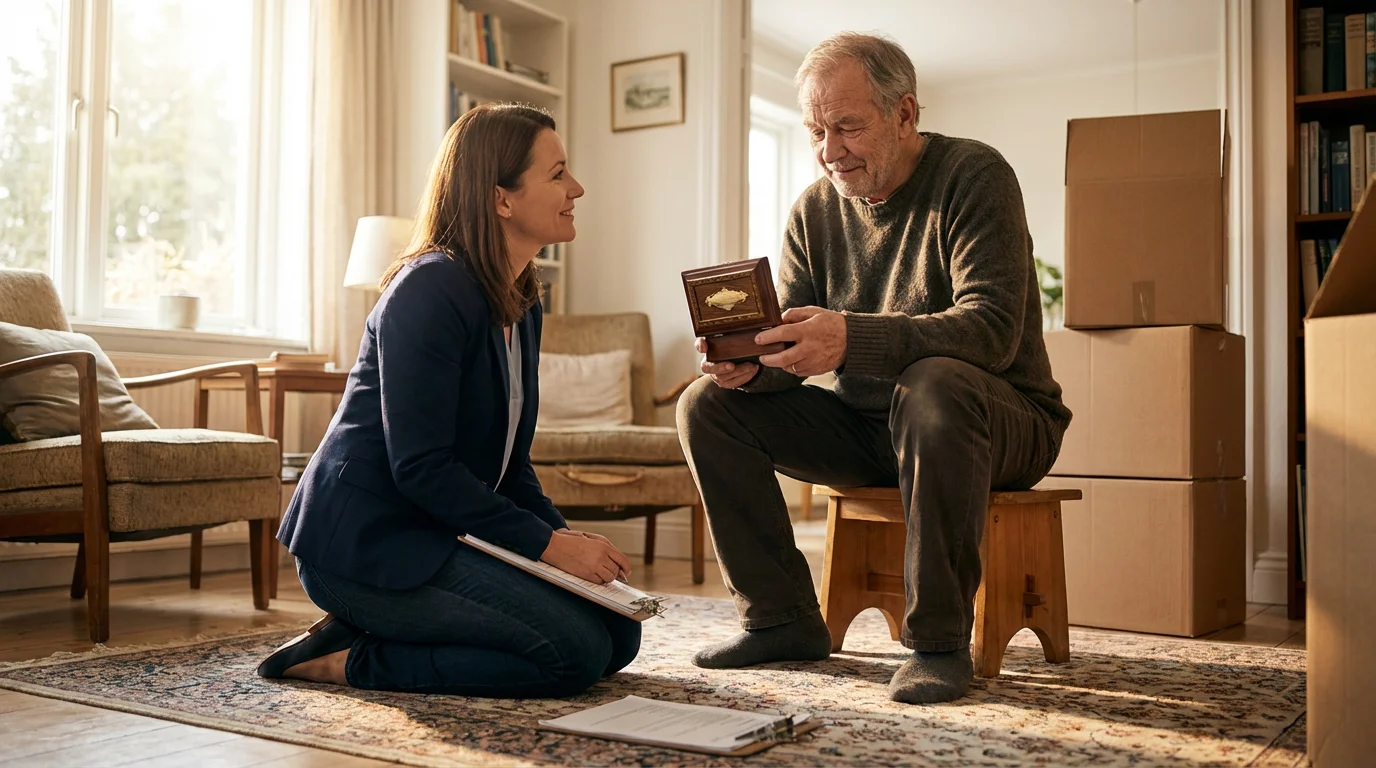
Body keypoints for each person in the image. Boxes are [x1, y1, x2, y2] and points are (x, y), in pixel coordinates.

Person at [676, 32, 1071, 704]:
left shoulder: (976, 176)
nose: (831, 151)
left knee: (934, 381)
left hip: (1001, 420)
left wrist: (850, 339)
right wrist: (751, 364)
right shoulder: (813, 209)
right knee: (704, 406)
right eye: (816, 131)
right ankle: (779, 619)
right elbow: (795, 350)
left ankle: (938, 642)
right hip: (873, 428)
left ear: (905, 114)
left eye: (848, 127)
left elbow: (993, 332)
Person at [257, 104, 642, 698]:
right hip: (365, 547)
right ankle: (352, 656)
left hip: (434, 534)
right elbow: (421, 468)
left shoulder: (524, 299)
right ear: (501, 198)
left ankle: (391, 633)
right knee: (573, 655)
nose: (577, 188)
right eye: (558, 173)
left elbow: (509, 468)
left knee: (618, 632)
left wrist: (572, 551)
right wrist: (549, 548)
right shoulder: (430, 289)